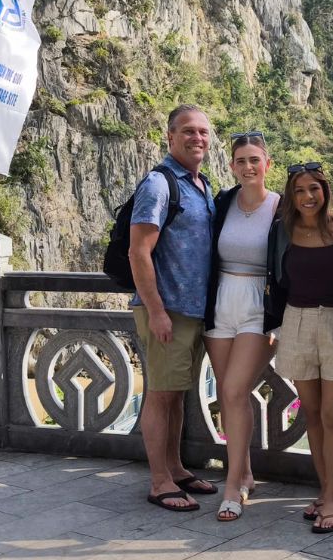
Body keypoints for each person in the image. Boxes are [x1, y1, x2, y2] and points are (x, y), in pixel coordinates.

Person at [264, 163, 333, 534]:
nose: (308, 196)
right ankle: (325, 492)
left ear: (325, 191)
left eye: (314, 188)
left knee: (332, 416)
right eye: (299, 190)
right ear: (291, 197)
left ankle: (331, 498)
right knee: (310, 414)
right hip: (295, 322)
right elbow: (274, 281)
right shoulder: (282, 231)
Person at [129, 104, 219, 512]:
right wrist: (158, 311)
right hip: (167, 309)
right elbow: (139, 252)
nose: (197, 138)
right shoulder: (159, 184)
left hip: (194, 309)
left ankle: (177, 468)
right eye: (188, 131)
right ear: (170, 136)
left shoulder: (201, 186)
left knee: (177, 395)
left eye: (202, 131)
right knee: (162, 395)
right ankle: (159, 481)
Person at [202, 131, 280, 521]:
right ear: (231, 166)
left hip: (258, 305)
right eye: (241, 161)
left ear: (267, 163)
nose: (248, 167)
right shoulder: (223, 203)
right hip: (220, 302)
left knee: (234, 389)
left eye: (255, 159)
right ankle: (246, 473)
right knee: (230, 396)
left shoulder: (282, 208)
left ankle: (232, 487)